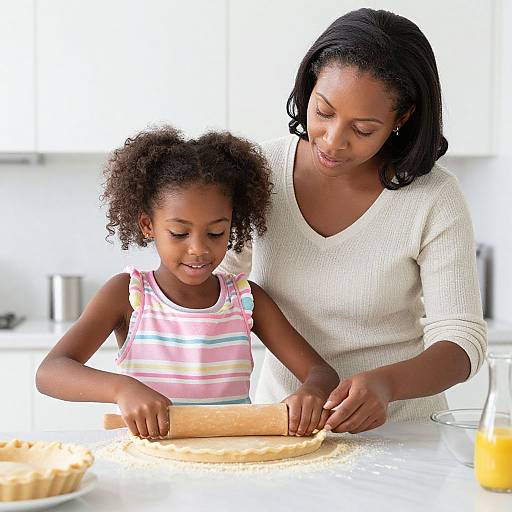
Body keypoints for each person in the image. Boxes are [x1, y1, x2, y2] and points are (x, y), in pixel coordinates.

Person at [219, 8, 487, 433]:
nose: (332, 140)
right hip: (283, 427)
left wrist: (387, 385)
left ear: (402, 119)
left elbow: (462, 342)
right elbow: (210, 286)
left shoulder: (434, 197)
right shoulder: (260, 172)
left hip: (404, 433)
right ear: (309, 85)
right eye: (323, 111)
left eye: (362, 129)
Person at [36, 126, 339, 439]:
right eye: (179, 234)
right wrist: (121, 388)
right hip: (150, 467)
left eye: (216, 233)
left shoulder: (246, 299)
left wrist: (312, 395)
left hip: (233, 462)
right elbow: (50, 372)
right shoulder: (126, 294)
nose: (199, 249)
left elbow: (321, 373)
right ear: (147, 225)